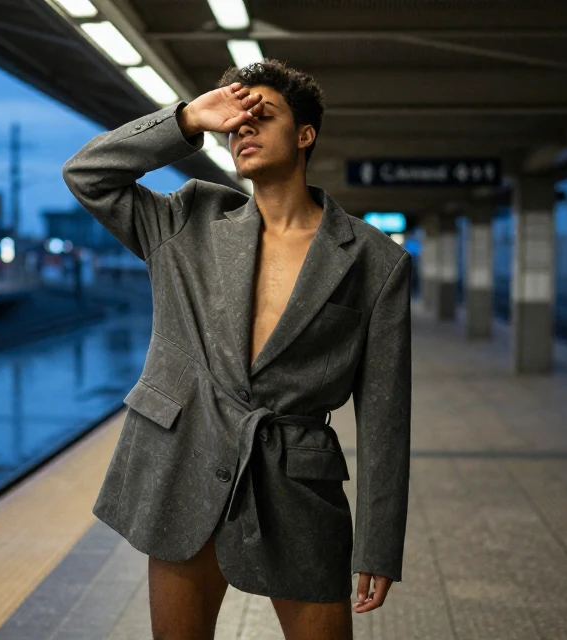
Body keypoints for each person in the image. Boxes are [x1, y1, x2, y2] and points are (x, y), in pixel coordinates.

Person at [63, 59, 412, 640]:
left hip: (295, 484)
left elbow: (384, 413)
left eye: (261, 115)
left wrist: (379, 540)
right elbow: (87, 174)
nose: (241, 128)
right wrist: (188, 118)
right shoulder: (188, 220)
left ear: (305, 135)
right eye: (234, 121)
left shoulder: (374, 260)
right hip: (185, 468)